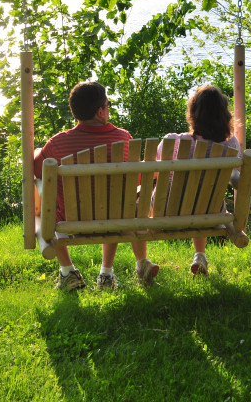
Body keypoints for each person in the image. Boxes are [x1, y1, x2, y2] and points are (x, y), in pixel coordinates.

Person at [34, 81, 159, 291]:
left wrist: (37, 151)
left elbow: (38, 170)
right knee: (115, 203)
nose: (109, 108)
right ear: (100, 111)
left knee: (39, 192)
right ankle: (106, 273)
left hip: (71, 220)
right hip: (115, 219)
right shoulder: (123, 138)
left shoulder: (58, 143)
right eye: (108, 105)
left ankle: (68, 271)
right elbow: (135, 182)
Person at [156, 84, 241, 277]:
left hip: (170, 210)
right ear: (223, 114)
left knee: (166, 191)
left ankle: (143, 261)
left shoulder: (172, 141)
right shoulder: (231, 144)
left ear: (193, 113)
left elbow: (155, 171)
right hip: (210, 210)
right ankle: (200, 254)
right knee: (202, 197)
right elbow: (234, 178)